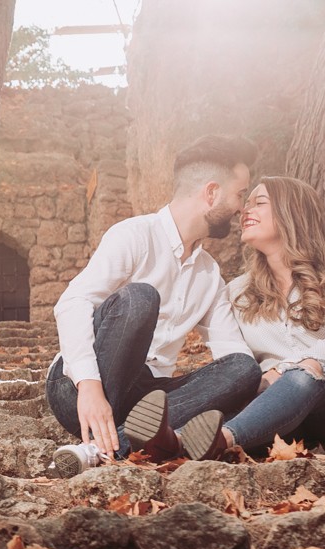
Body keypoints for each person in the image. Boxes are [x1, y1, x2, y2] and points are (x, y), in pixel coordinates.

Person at [44, 135, 262, 476]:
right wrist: (88, 386)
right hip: (81, 388)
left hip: (146, 399)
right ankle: (118, 437)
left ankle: (102, 448)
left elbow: (231, 349)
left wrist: (277, 379)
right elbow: (73, 302)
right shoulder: (134, 235)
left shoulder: (209, 274)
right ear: (211, 192)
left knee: (245, 369)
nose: (241, 207)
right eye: (240, 194)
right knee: (140, 297)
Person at [186, 176, 325, 458]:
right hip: (279, 407)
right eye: (246, 204)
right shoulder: (236, 292)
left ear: (291, 211)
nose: (246, 211)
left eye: (259, 203)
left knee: (307, 373)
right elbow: (234, 359)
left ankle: (219, 441)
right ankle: (174, 440)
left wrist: (284, 370)